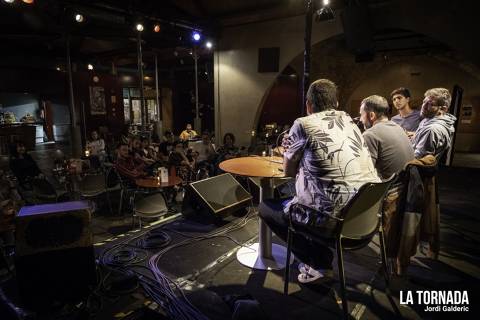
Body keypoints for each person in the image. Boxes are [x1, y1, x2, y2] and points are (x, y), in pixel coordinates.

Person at [259, 79, 379, 283]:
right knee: (319, 196)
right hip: (364, 218)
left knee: (266, 208)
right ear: (337, 103)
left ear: (308, 105)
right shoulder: (350, 121)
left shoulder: (302, 124)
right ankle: (320, 261)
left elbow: (288, 171)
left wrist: (289, 151)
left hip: (333, 222)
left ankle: (318, 262)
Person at [360, 95, 415, 180]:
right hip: (408, 186)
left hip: (390, 190)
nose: (360, 120)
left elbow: (366, 172)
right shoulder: (398, 127)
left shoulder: (369, 135)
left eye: (361, 115)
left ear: (372, 115)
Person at [412, 88, 456, 159]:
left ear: (442, 109)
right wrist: (416, 136)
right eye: (424, 102)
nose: (424, 107)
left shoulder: (432, 129)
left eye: (431, 104)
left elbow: (417, 158)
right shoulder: (428, 118)